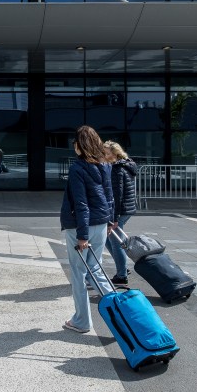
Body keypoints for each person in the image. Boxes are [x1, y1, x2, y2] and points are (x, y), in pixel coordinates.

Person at [60, 125, 114, 334]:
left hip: (81, 227)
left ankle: (82, 321)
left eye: (75, 142)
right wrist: (110, 221)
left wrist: (82, 236)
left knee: (79, 274)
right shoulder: (105, 165)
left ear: (80, 145)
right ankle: (120, 309)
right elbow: (109, 195)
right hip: (101, 223)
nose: (73, 146)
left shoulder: (78, 168)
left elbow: (81, 204)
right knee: (96, 270)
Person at [103, 140, 138, 285]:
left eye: (107, 153)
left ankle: (122, 275)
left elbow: (117, 195)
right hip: (127, 208)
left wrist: (114, 218)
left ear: (115, 154)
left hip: (120, 210)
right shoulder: (126, 164)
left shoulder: (117, 169)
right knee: (107, 238)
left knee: (115, 242)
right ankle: (122, 266)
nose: (104, 156)